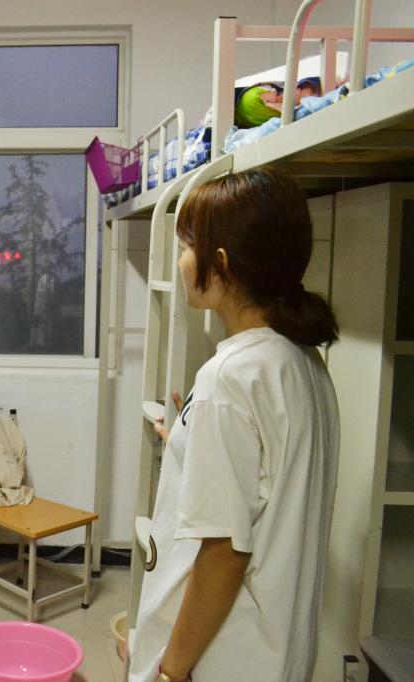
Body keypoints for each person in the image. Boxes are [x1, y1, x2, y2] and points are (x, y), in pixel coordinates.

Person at [128, 167, 340, 682]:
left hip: (223, 660)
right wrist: (186, 441)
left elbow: (225, 553)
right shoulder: (301, 361)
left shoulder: (228, 378)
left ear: (220, 265)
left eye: (187, 247)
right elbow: (265, 477)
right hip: (276, 654)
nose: (181, 261)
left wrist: (169, 670)